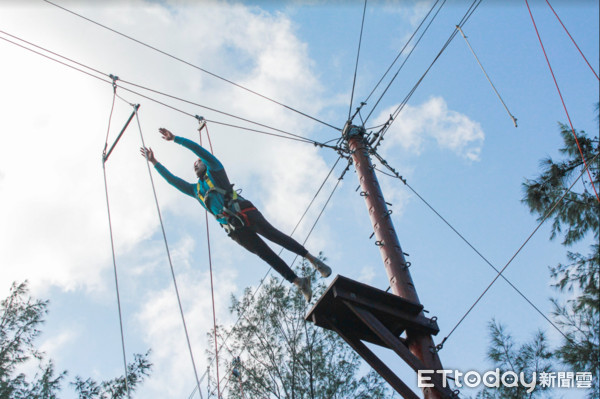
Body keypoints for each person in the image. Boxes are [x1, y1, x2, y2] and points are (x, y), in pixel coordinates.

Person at [140, 127, 331, 302]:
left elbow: (200, 150)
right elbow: (173, 181)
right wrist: (155, 162)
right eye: (194, 165)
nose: (195, 164)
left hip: (245, 212)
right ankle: (299, 282)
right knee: (265, 254)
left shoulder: (216, 170)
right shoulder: (195, 190)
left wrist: (175, 139)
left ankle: (312, 259)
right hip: (233, 228)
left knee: (273, 235)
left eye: (198, 162)